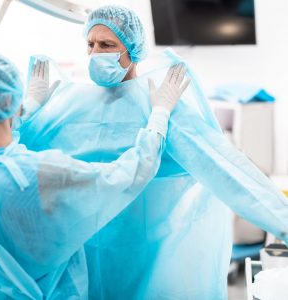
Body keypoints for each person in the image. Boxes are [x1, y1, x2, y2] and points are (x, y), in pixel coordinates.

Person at [20, 5, 288, 300]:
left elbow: (226, 169)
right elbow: (11, 157)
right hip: (81, 255)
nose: (96, 53)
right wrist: (29, 111)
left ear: (133, 50)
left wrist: (283, 222)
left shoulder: (159, 104)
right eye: (91, 44)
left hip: (140, 257)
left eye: (107, 45)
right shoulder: (70, 103)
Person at [0, 51, 189, 299]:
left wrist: (28, 106)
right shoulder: (38, 173)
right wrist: (160, 112)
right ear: (8, 102)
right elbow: (134, 170)